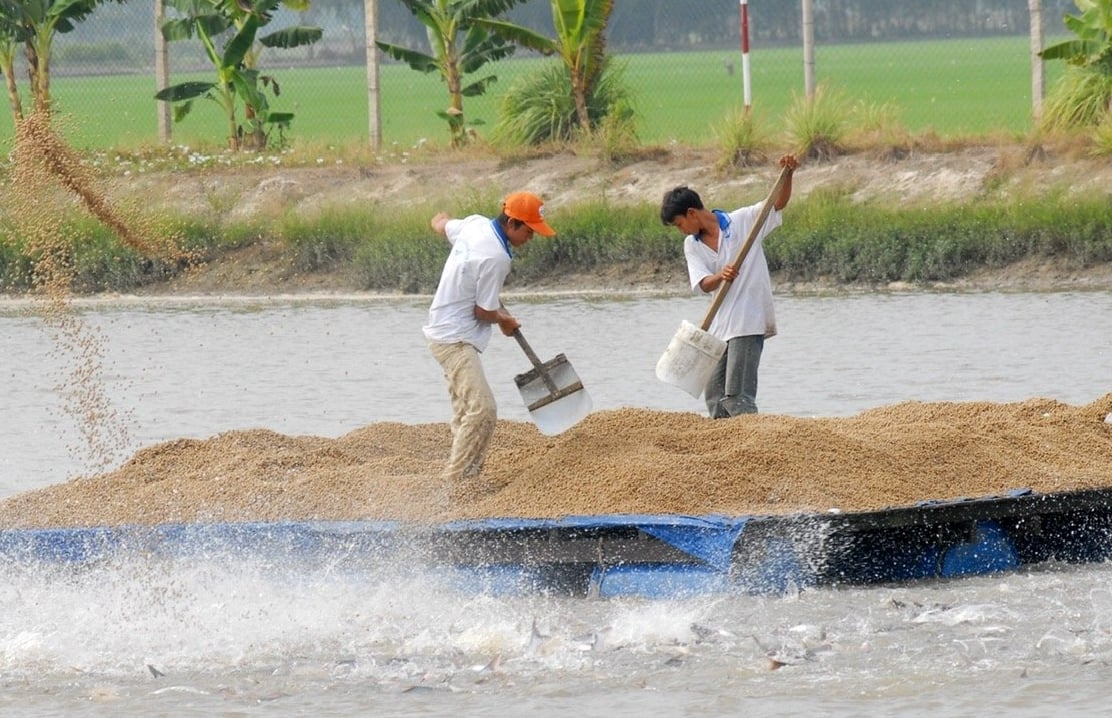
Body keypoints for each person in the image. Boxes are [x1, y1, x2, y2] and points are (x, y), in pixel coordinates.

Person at [424, 191, 556, 499]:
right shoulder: (497, 257)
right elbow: (482, 311)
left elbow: (443, 225)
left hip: (443, 330)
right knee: (483, 410)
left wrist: (439, 219)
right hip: (454, 339)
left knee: (464, 414)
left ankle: (465, 480)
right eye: (529, 230)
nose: (531, 238)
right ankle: (455, 487)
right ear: (512, 223)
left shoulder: (474, 225)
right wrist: (504, 320)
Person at [660, 154, 799, 418]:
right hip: (719, 326)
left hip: (749, 319)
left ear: (692, 213)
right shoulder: (693, 245)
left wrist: (788, 174)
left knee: (737, 394)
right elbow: (702, 283)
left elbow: (777, 204)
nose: (681, 230)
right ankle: (723, 450)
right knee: (715, 397)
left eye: (680, 224)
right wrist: (721, 276)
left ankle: (752, 443)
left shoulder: (743, 221)